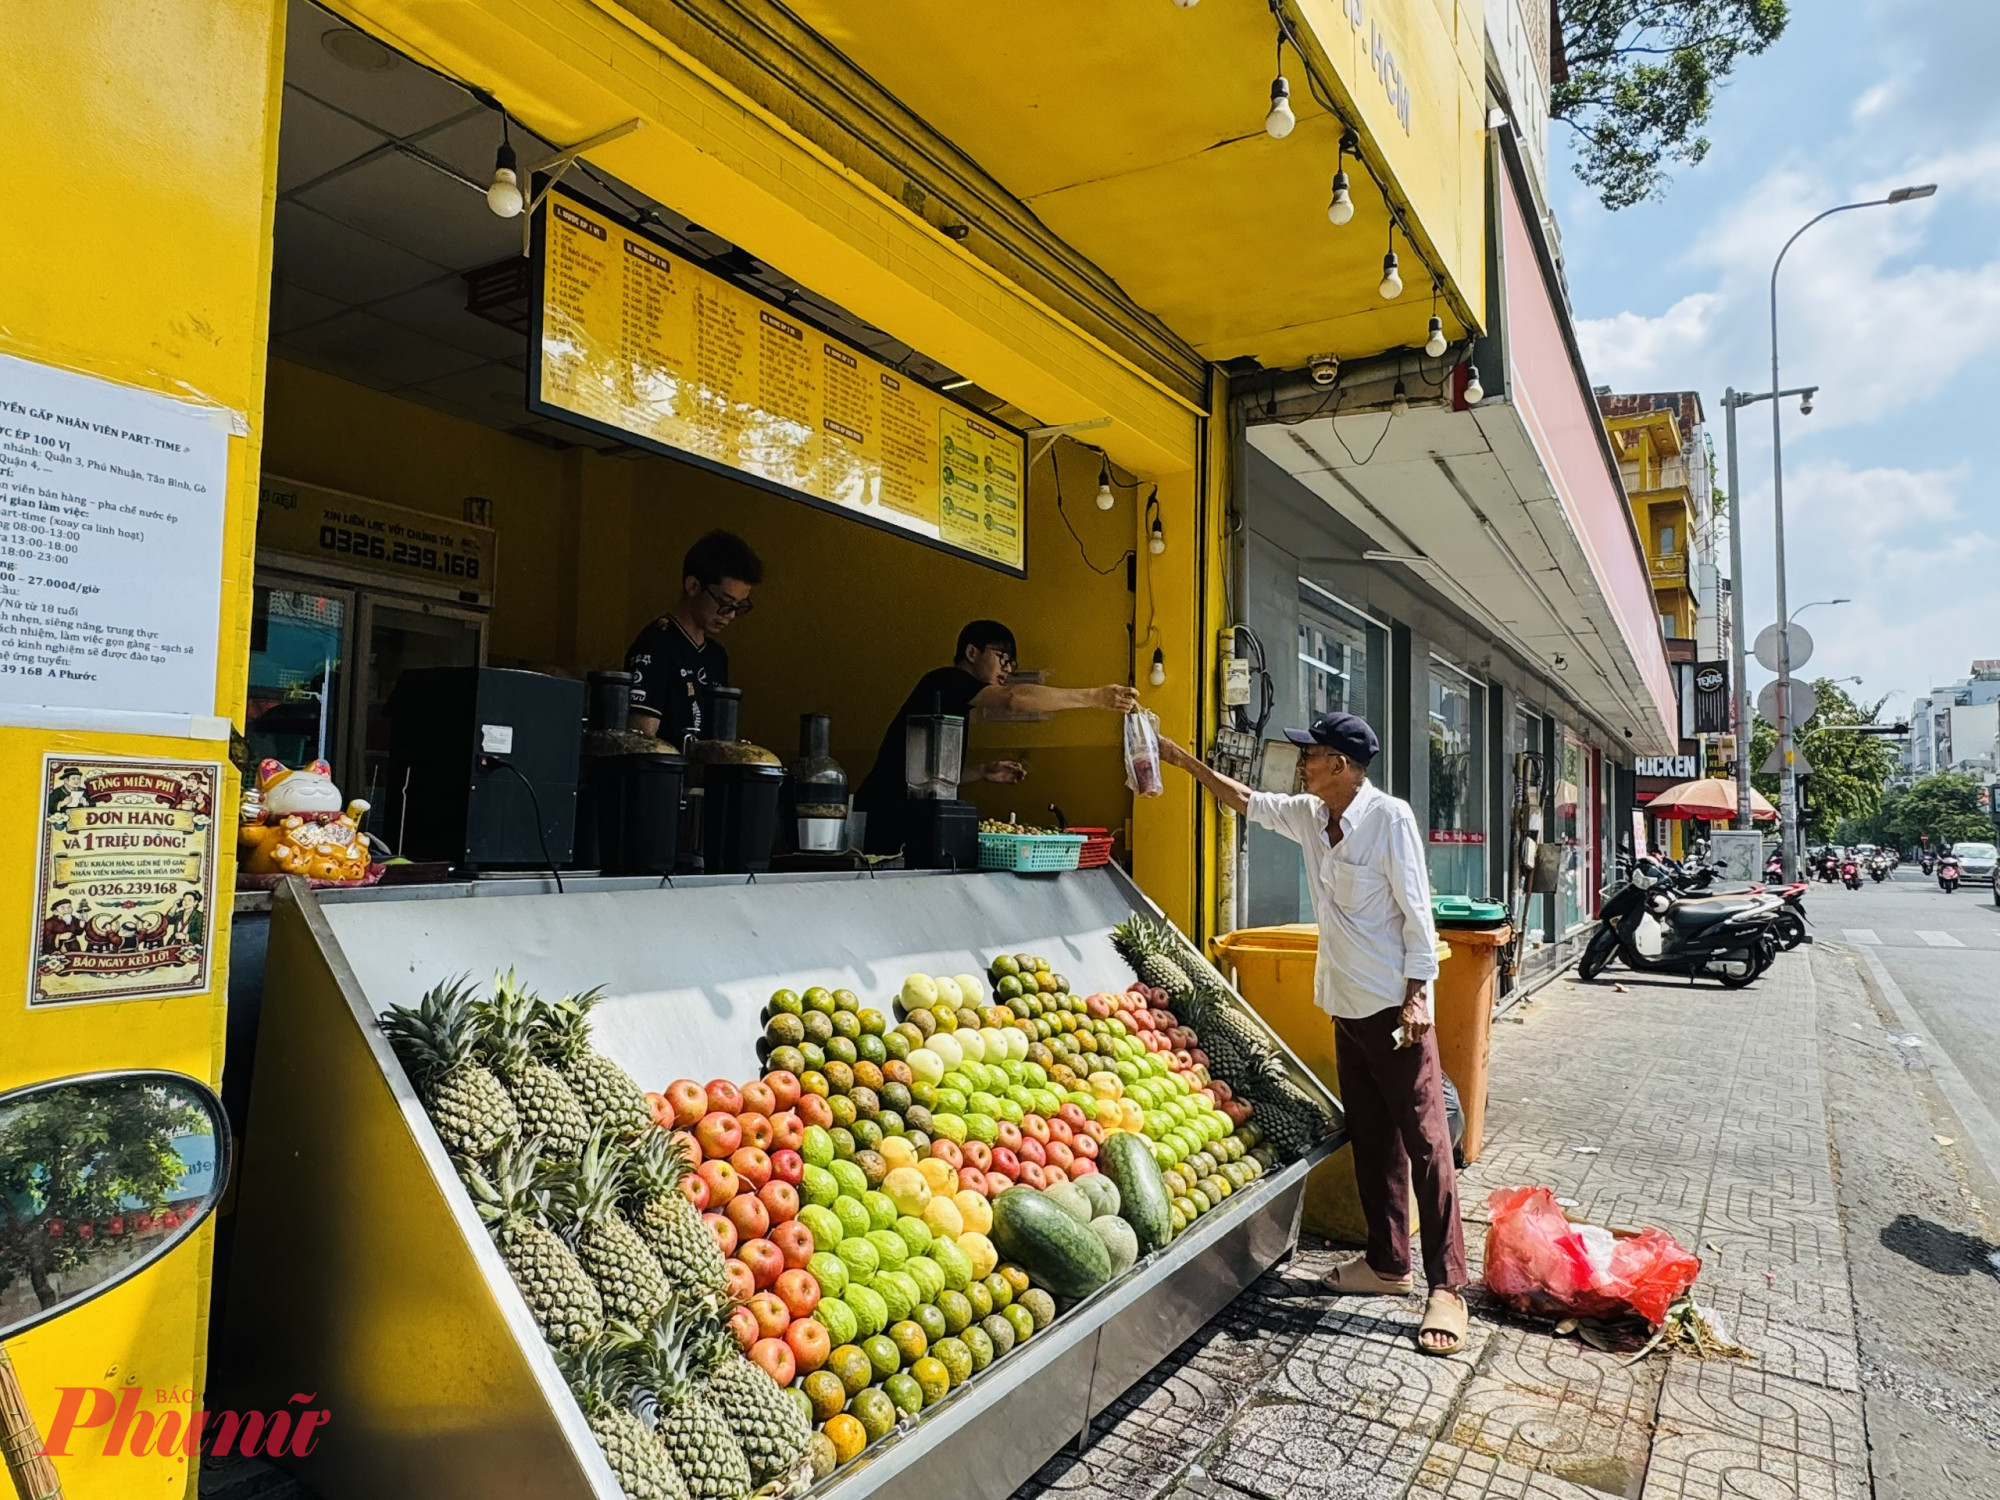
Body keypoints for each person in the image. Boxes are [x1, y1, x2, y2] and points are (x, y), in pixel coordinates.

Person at [1156, 710, 1468, 1356]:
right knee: (1373, 1139)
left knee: (1428, 1144)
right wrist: (1181, 761)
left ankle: (1449, 1288)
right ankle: (1387, 1264)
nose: (1303, 762)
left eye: (1314, 753)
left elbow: (1418, 917)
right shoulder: (1308, 815)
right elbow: (1245, 799)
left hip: (1394, 1012)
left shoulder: (1390, 821)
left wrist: (1418, 1000)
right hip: (1345, 1008)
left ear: (1344, 767)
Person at [852, 620, 1138, 855]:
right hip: (884, 815)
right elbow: (1013, 698)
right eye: (1002, 658)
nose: (1008, 669)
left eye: (1011, 662)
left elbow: (931, 777)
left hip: (910, 815)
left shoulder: (954, 701)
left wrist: (983, 771)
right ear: (972, 653)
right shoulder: (946, 681)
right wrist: (1095, 696)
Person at [624, 530, 764, 747]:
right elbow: (641, 742)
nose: (730, 614)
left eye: (739, 606)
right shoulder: (655, 645)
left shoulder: (716, 657)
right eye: (725, 602)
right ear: (693, 586)